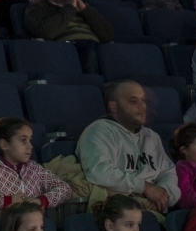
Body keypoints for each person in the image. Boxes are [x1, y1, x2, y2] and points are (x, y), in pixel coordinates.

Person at [77, 80, 180, 213]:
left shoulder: (152, 136)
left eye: (143, 100)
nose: (142, 106)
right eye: (133, 101)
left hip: (154, 209)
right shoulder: (99, 130)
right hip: (119, 212)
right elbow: (98, 171)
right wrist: (145, 188)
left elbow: (168, 172)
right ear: (113, 106)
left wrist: (163, 195)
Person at [0, 117, 71, 212]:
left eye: (30, 140)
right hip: (6, 226)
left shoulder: (34, 168)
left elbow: (65, 189)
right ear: (4, 144)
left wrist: (40, 201)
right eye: (23, 140)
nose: (30, 146)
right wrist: (8, 201)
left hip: (35, 226)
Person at [24, 0, 113, 73]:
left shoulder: (82, 7)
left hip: (96, 47)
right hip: (67, 49)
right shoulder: (37, 7)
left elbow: (108, 36)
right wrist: (70, 8)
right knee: (89, 50)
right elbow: (46, 32)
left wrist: (84, 9)